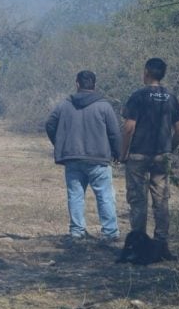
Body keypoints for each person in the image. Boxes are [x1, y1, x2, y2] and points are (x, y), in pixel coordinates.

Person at [46, 70, 122, 244]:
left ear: (77, 84)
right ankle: (109, 232)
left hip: (72, 158)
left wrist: (60, 144)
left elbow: (50, 124)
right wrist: (117, 153)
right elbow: (115, 133)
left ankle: (77, 232)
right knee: (104, 195)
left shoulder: (64, 105)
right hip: (99, 159)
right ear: (94, 85)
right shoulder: (104, 106)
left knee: (75, 195)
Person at [120, 58, 179, 261]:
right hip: (161, 156)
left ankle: (138, 246)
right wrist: (169, 149)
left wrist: (123, 153)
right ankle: (161, 246)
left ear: (147, 72)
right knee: (161, 201)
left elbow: (129, 127)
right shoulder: (170, 97)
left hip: (138, 155)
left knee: (138, 201)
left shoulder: (138, 96)